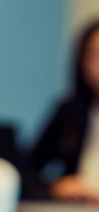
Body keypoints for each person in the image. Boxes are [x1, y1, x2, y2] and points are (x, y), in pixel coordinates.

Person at [28, 19, 99, 202]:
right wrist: (55, 186)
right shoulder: (70, 112)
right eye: (95, 55)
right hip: (75, 211)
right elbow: (27, 169)